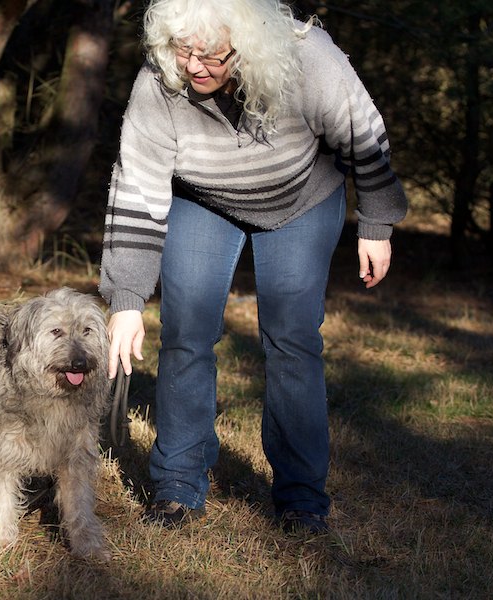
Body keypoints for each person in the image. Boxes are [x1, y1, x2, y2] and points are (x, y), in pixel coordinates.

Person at [99, 0, 408, 534]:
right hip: (204, 199)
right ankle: (177, 485)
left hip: (302, 198)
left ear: (247, 45)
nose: (193, 66)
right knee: (186, 333)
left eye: (211, 55)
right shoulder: (159, 83)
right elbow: (137, 186)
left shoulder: (309, 59)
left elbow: (362, 133)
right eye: (182, 51)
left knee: (292, 338)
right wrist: (127, 298)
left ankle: (301, 497)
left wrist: (377, 223)